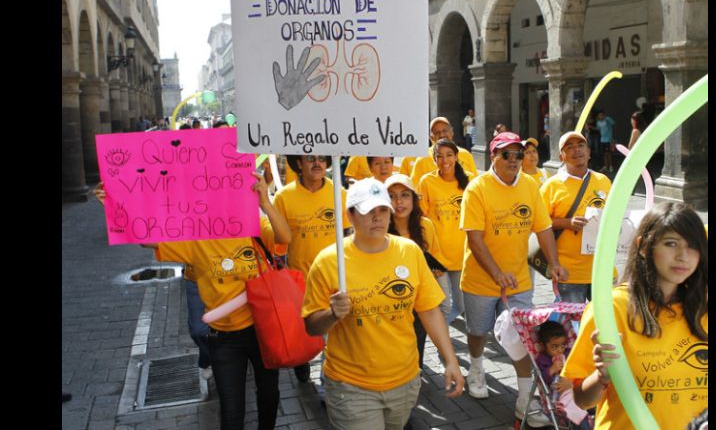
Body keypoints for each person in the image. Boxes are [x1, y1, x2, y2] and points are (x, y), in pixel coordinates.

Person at [94, 172, 290, 430]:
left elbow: (285, 238)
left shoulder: (254, 227)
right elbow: (147, 239)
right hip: (223, 338)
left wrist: (265, 203)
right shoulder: (196, 239)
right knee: (232, 412)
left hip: (262, 331)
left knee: (269, 395)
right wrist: (113, 205)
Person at [301, 178, 464, 430]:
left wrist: (450, 360)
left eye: (382, 210)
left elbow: (429, 310)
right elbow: (311, 326)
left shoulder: (409, 251)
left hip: (405, 380)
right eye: (368, 211)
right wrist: (332, 314)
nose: (377, 218)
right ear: (350, 216)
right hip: (351, 386)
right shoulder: (329, 261)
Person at [563, 202, 708, 430]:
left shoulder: (703, 309)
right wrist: (603, 375)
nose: (683, 256)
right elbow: (581, 400)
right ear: (643, 247)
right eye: (671, 244)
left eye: (693, 246)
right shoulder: (612, 308)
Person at [459, 131, 567, 427]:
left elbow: (543, 228)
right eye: (506, 154)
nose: (513, 160)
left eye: (518, 154)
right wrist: (496, 273)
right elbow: (475, 239)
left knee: (524, 337)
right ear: (493, 156)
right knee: (478, 331)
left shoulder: (530, 185)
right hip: (481, 279)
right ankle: (477, 367)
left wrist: (553, 264)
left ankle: (524, 400)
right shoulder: (477, 188)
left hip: (519, 279)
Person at [273, 154, 352, 384]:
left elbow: (349, 235)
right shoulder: (284, 197)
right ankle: (302, 361)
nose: (317, 164)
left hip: (336, 278)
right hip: (300, 280)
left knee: (334, 334)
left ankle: (328, 382)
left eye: (321, 159)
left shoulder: (341, 194)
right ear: (299, 163)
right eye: (310, 159)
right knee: (305, 330)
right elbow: (278, 242)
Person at [540, 131, 612, 303]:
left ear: (588, 152)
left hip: (601, 269)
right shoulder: (551, 186)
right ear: (561, 156)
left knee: (603, 324)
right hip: (568, 271)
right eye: (569, 147)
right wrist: (567, 222)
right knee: (573, 326)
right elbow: (538, 224)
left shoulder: (603, 181)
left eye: (580, 146)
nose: (576, 150)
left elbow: (613, 215)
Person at [385, 173, 447, 369]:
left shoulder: (425, 226)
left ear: (413, 198)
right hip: (389, 300)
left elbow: (435, 261)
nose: (399, 201)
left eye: (404, 195)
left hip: (418, 299)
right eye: (392, 196)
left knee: (417, 340)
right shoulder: (380, 228)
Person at [417, 139, 472, 325]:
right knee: (445, 306)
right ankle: (441, 345)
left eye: (449, 155)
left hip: (462, 254)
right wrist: (427, 255)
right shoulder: (427, 182)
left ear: (457, 157)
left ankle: (437, 334)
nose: (444, 160)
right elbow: (420, 220)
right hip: (437, 255)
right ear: (433, 160)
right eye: (439, 156)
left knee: (462, 306)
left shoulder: (470, 180)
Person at [410, 117, 478, 185]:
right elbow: (415, 189)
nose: (442, 135)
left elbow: (475, 185)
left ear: (452, 132)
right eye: (437, 133)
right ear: (431, 137)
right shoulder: (422, 159)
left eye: (445, 131)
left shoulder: (465, 155)